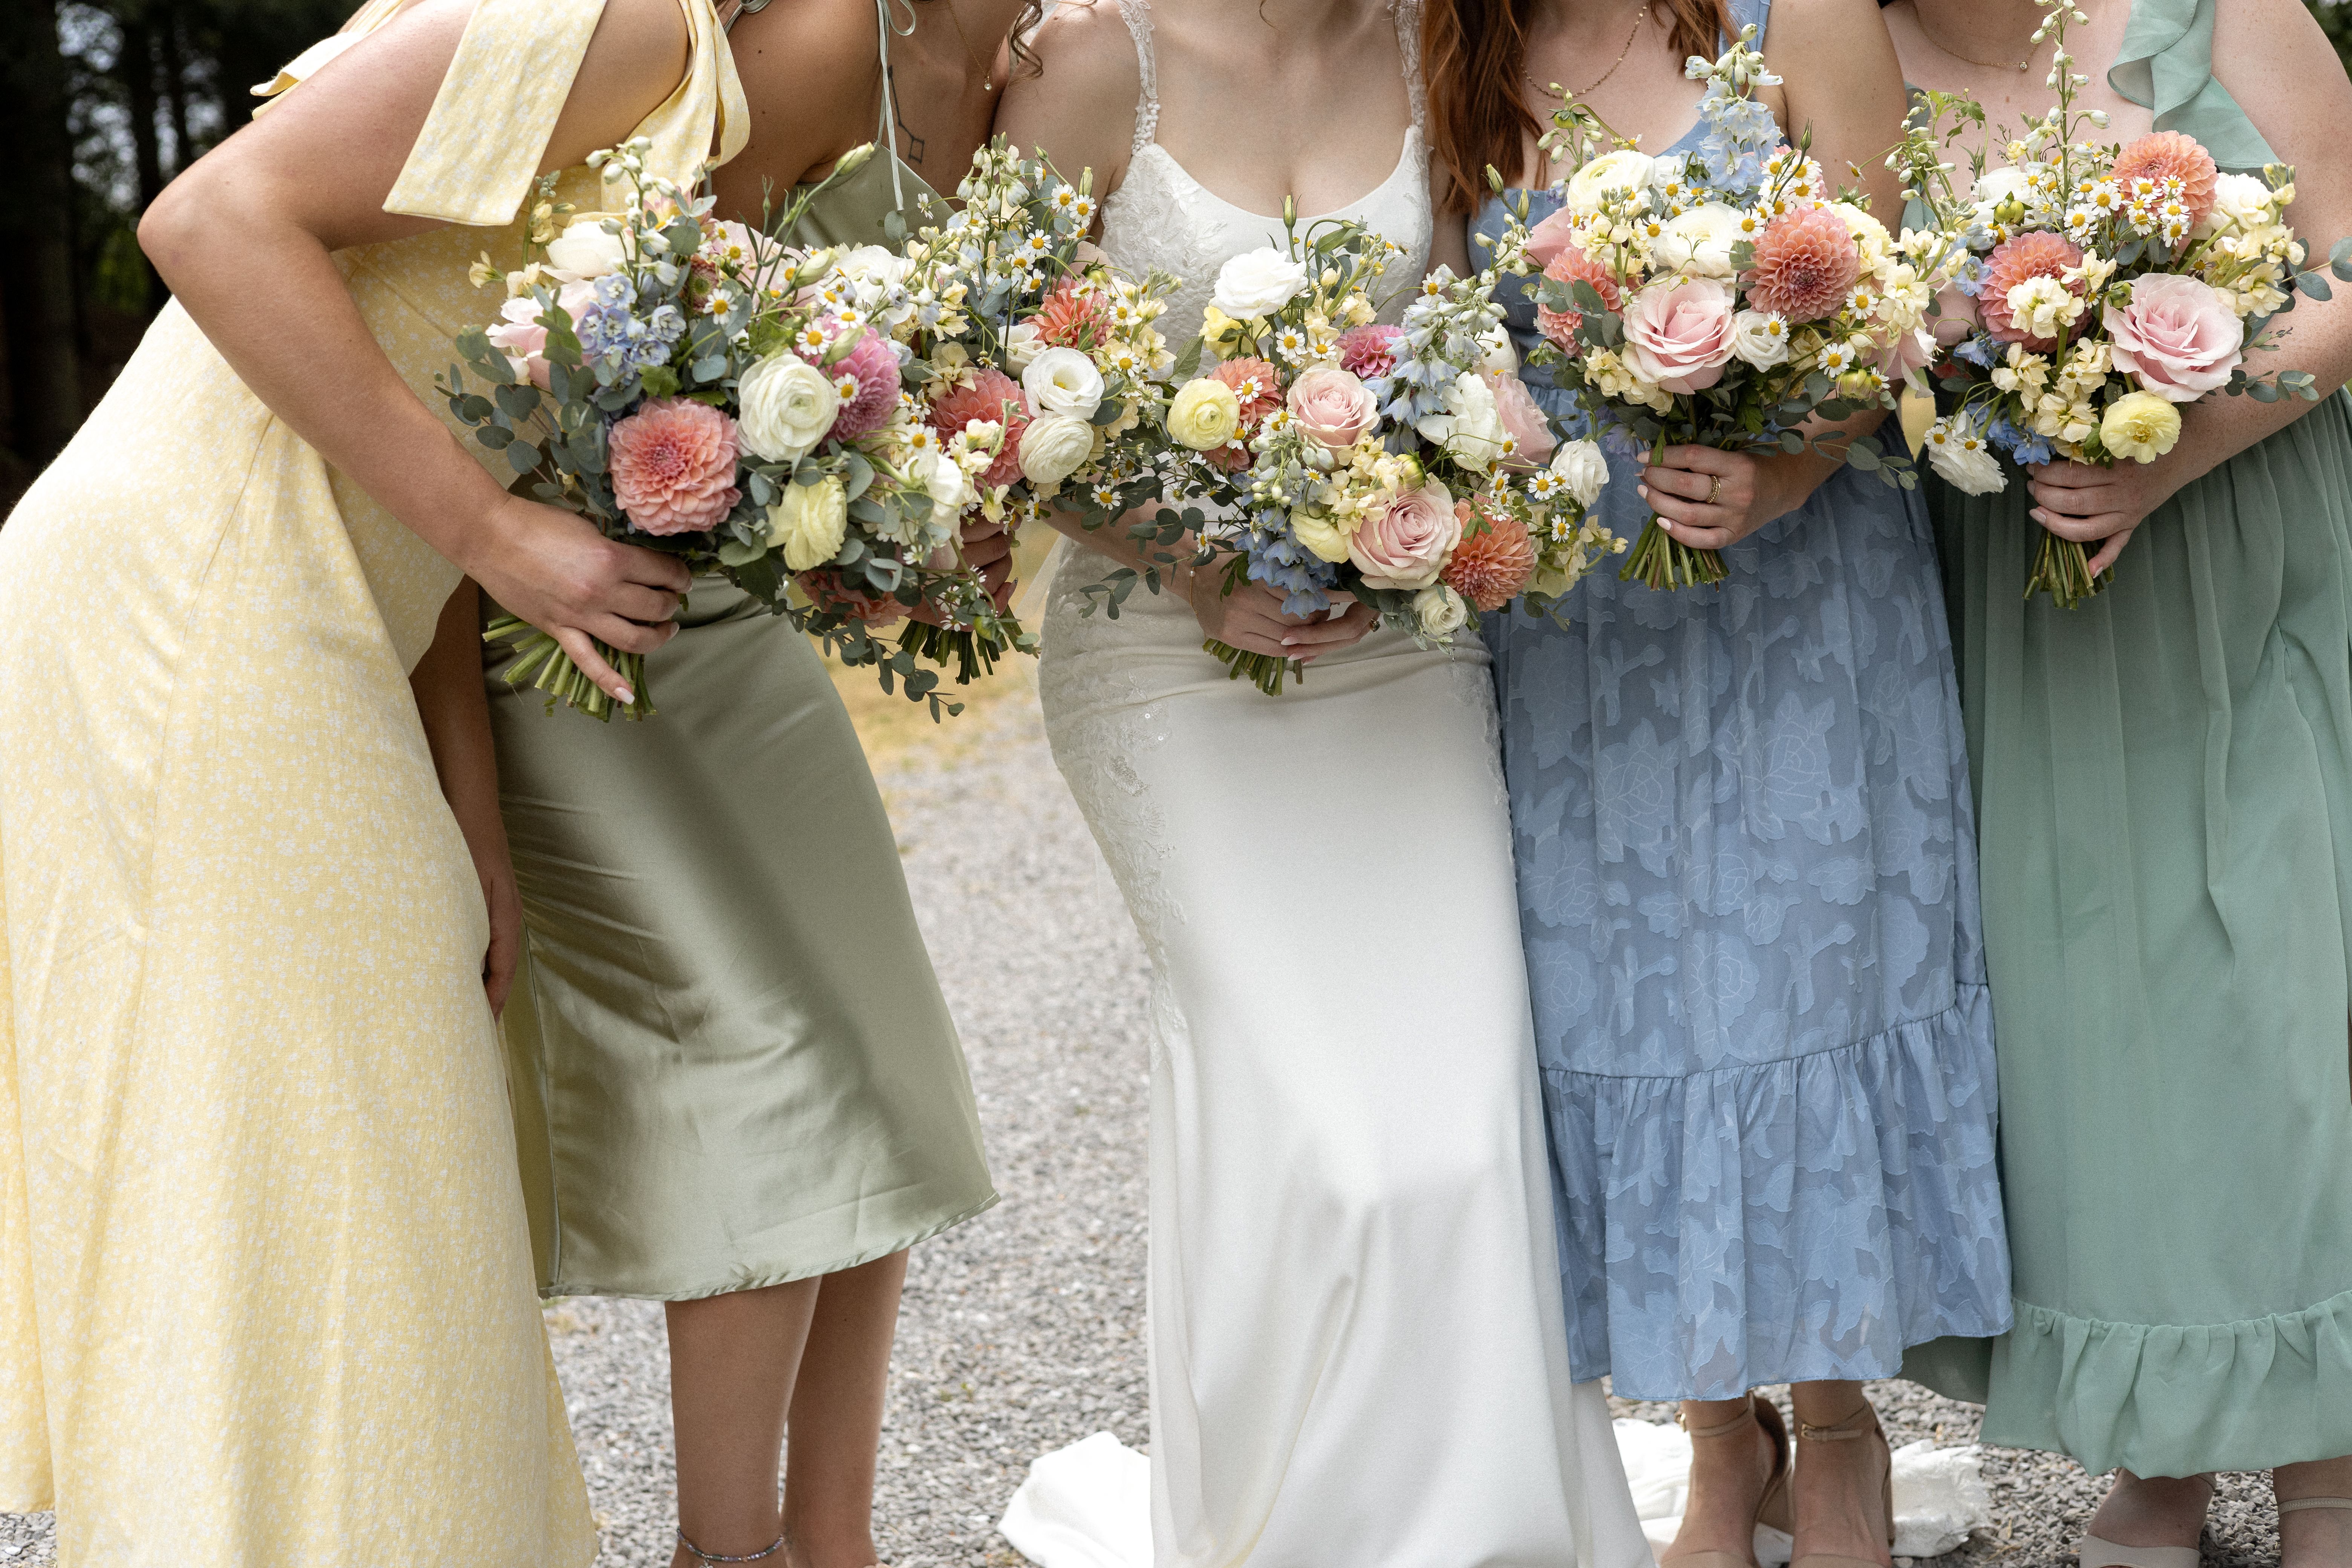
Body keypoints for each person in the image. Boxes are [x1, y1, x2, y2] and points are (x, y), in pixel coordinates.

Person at [0, 0, 718, 1559]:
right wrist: (495, 529)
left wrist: (474, 818)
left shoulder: (683, 62)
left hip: (306, 603)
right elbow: (209, 216)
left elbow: (412, 401)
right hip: (194, 604)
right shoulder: (618, 27)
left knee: (339, 1176)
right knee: (304, 1181)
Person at [991, 1, 1654, 1562]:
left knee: (1465, 1114)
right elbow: (992, 380)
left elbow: (1499, 340)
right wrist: (1187, 559)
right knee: (1316, 1126)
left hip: (1403, 646)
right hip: (1164, 655)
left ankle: (1493, 1527)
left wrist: (1466, 487)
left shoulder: (1442, 45)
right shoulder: (1093, 63)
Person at [404, 0, 1020, 1563]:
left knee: (874, 1063)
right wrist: (470, 798)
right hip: (596, 630)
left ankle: (837, 1540)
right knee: (764, 1062)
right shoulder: (824, 45)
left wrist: (917, 520)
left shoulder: (1030, 62)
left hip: (745, 634)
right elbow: (595, 365)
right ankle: (720, 1548)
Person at [1432, 3, 2013, 1566]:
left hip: (1805, 578)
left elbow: (1896, 302)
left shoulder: (1798, 13)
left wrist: (1791, 464)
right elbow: (1438, 315)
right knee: (1621, 997)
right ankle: (1714, 1431)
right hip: (1579, 615)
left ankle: (1837, 1431)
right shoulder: (1451, 47)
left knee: (1802, 981)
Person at [1880, 2, 2352, 1564]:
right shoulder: (1848, 58)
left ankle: (2325, 1460)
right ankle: (2164, 1439)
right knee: (2095, 1021)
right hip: (2027, 597)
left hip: (2244, 551)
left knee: (2268, 982)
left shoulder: (2216, 11)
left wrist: (2179, 443)